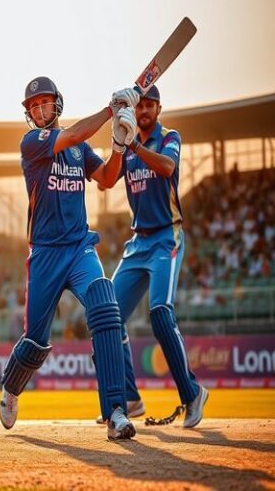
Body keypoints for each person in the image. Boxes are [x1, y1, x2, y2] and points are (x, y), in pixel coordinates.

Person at [0, 76, 139, 440]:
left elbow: (107, 179)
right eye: (34, 107)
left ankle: (116, 412)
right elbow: (75, 135)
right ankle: (12, 387)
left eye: (44, 103)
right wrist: (111, 110)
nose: (40, 111)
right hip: (45, 253)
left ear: (57, 104)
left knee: (105, 307)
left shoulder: (79, 153)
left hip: (79, 248)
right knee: (36, 342)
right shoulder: (32, 143)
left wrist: (120, 146)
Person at [99, 85, 208, 428]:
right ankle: (128, 399)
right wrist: (117, 137)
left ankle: (192, 394)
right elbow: (105, 180)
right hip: (138, 242)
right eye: (139, 105)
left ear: (159, 109)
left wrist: (133, 144)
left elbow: (166, 167)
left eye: (149, 105)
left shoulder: (168, 137)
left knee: (160, 312)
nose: (143, 110)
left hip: (166, 236)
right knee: (107, 314)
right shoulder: (130, 143)